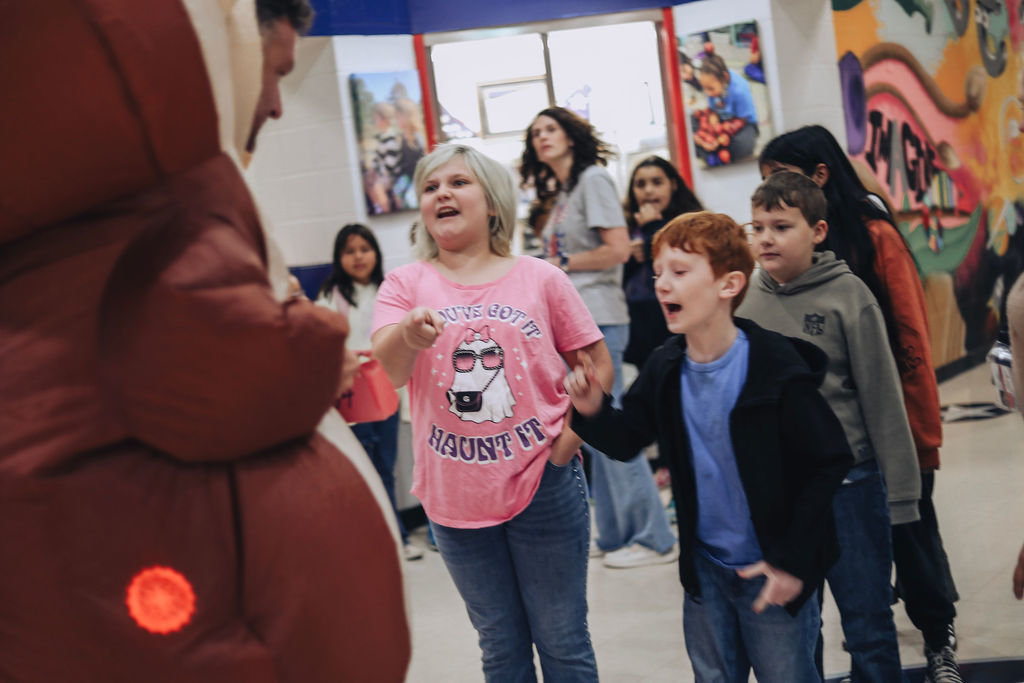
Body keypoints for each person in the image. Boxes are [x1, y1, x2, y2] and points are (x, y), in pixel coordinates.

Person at [0, 0, 411, 680]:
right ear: (228, 50)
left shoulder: (62, 213)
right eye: (275, 72)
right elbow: (224, 373)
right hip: (184, 601)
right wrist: (317, 341)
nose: (277, 103)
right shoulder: (165, 205)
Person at [565, 211, 853, 682]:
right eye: (657, 273)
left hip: (771, 567)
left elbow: (828, 463)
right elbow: (626, 440)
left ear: (728, 284)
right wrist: (593, 409)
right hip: (706, 571)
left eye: (679, 272)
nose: (661, 285)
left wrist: (792, 562)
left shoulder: (775, 367)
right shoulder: (665, 366)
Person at [373, 144, 608, 680]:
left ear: (493, 204)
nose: (442, 195)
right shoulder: (405, 286)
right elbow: (388, 373)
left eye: (458, 183)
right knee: (500, 643)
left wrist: (566, 445)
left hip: (542, 483)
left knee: (562, 638)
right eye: (431, 188)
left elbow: (596, 364)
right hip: (453, 494)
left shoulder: (541, 278)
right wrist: (409, 333)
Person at [760, 125, 961, 681]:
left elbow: (910, 339)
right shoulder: (771, 277)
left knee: (914, 539)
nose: (774, 193)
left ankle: (939, 642)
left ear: (820, 178)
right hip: (825, 459)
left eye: (783, 179)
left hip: (893, 429)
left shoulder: (872, 236)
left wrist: (917, 436)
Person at [737, 172, 921, 682]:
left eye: (781, 225)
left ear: (818, 231)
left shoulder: (849, 296)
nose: (766, 237)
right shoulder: (743, 301)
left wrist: (902, 497)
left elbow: (883, 400)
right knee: (796, 629)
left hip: (851, 489)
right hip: (781, 497)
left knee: (867, 623)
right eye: (757, 227)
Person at [520, 106, 678, 569]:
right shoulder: (565, 190)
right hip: (575, 319)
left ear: (571, 135)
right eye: (535, 134)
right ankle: (614, 533)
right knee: (590, 429)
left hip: (600, 317)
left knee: (606, 422)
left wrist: (558, 267)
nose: (542, 138)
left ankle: (654, 537)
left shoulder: (592, 179)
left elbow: (615, 250)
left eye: (550, 129)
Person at [319, 223, 424, 561]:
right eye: (349, 251)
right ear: (339, 258)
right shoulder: (332, 295)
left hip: (386, 392)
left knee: (386, 464)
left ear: (376, 254)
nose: (358, 257)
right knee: (363, 467)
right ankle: (379, 538)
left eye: (364, 249)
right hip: (352, 396)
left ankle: (397, 536)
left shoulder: (388, 289)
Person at [622, 155, 703, 368]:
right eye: (640, 184)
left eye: (657, 182)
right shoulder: (626, 228)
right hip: (640, 327)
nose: (648, 190)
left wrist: (653, 227)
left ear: (673, 185)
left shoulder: (692, 223)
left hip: (678, 324)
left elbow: (684, 265)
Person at [694, 53, 759, 163]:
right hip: (722, 121)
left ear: (724, 78)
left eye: (710, 89)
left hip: (743, 123)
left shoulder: (740, 89)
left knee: (743, 145)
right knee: (692, 122)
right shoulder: (711, 89)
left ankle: (715, 153)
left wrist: (720, 138)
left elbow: (742, 120)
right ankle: (712, 152)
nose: (707, 93)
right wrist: (711, 131)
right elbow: (713, 111)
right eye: (704, 88)